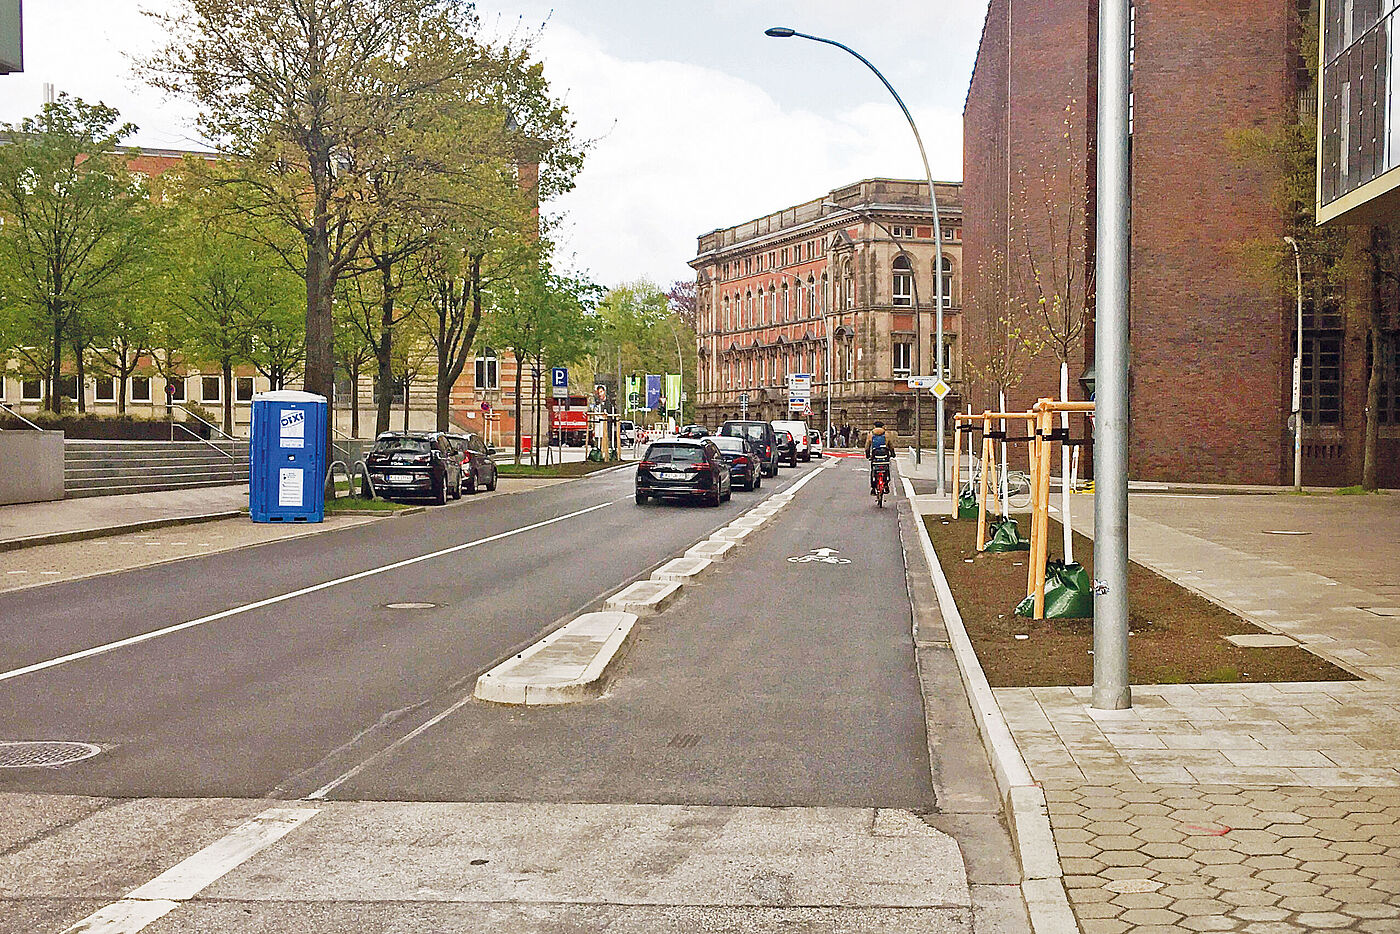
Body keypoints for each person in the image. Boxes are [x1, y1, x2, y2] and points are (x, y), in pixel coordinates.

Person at [865, 421, 893, 495]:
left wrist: (867, 455)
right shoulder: (886, 434)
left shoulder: (871, 434)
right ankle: (886, 484)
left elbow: (867, 447)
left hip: (875, 456)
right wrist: (893, 453)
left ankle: (873, 488)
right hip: (885, 455)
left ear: (874, 426)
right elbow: (890, 445)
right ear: (882, 427)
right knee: (886, 469)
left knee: (873, 471)